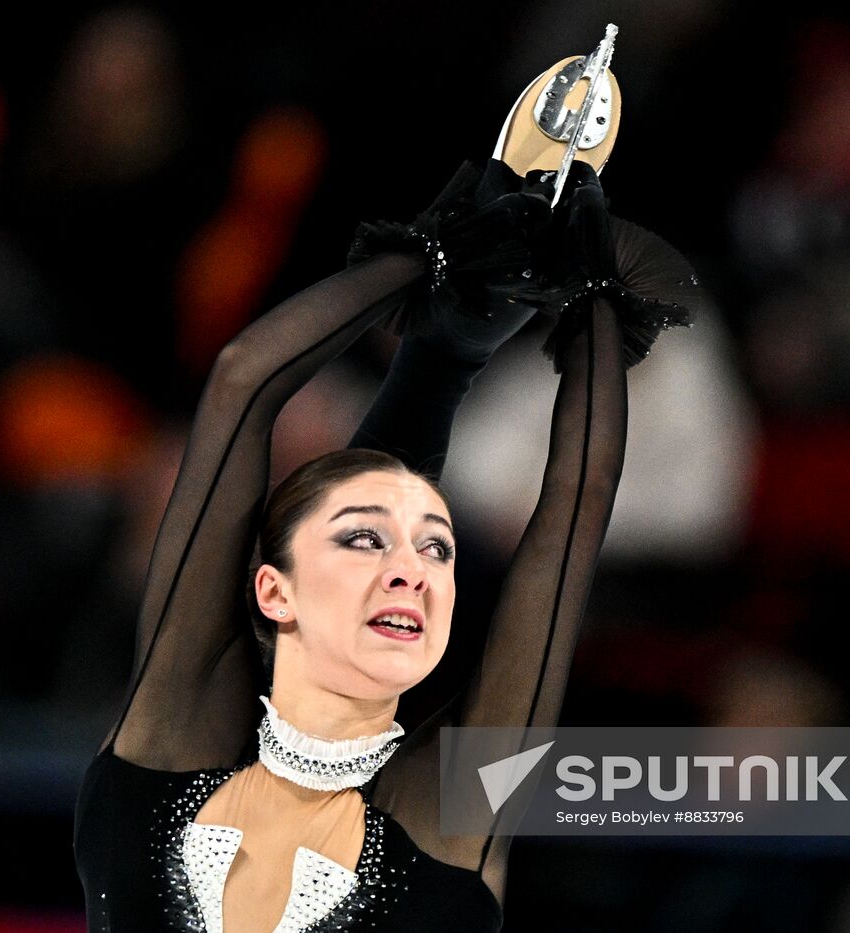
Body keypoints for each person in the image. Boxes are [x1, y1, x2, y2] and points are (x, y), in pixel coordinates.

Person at [73, 31, 703, 932]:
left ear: (274, 588)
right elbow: (570, 523)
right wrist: (590, 285)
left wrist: (440, 252)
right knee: (414, 412)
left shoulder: (171, 763)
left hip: (442, 285)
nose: (413, 569)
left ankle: (449, 341)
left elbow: (246, 382)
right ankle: (452, 343)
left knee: (401, 422)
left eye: (427, 549)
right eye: (425, 547)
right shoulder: (443, 827)